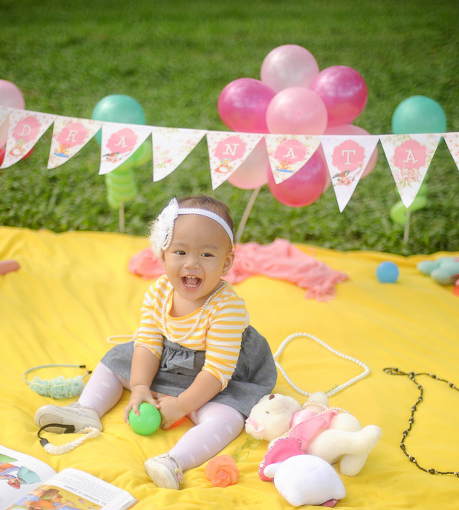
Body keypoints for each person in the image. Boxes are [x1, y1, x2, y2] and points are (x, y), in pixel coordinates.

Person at [34, 195, 277, 489]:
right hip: (168, 359)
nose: (192, 263)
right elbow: (149, 343)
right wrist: (139, 387)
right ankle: (86, 410)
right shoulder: (159, 292)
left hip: (217, 377)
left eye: (207, 255)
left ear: (226, 263)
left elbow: (216, 372)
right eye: (180, 251)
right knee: (114, 362)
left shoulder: (227, 308)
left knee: (228, 418)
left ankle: (173, 462)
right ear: (163, 255)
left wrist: (182, 406)